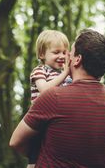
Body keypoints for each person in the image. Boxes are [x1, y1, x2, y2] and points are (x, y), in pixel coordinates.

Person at [10, 29, 105, 168]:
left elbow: (15, 142)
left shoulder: (55, 96)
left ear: (77, 59)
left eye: (69, 52)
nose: (65, 56)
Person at [27, 29, 72, 167]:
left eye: (64, 52)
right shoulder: (40, 71)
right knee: (34, 158)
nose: (62, 56)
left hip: (57, 121)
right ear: (42, 54)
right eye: (56, 52)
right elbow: (45, 90)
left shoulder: (66, 75)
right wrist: (64, 74)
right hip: (40, 120)